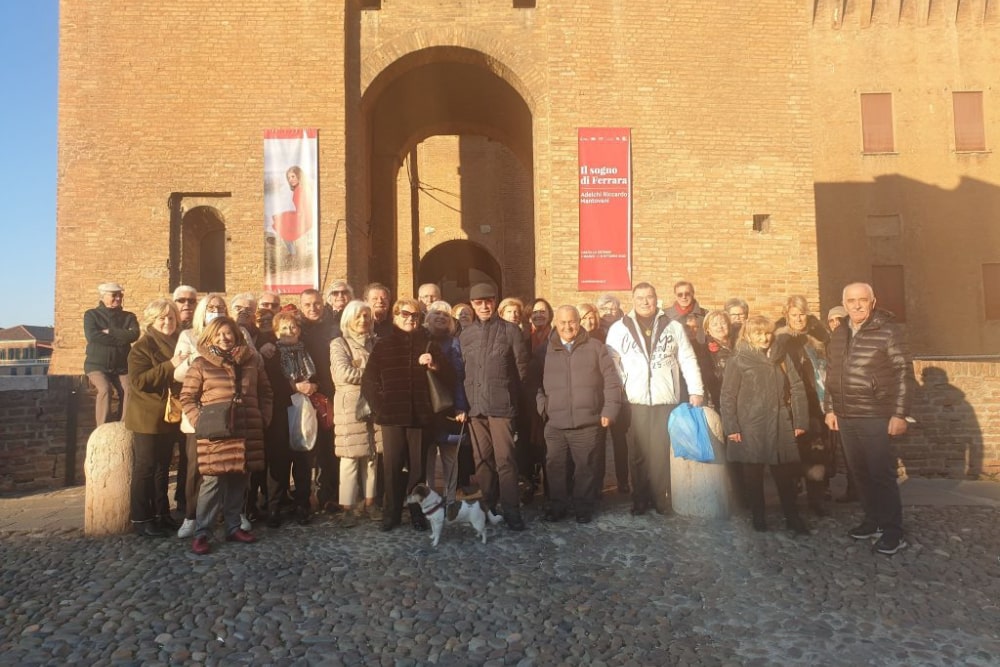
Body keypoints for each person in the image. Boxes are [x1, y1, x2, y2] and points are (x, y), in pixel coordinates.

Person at [824, 283, 914, 555]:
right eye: (851, 301)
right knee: (859, 473)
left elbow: (903, 373)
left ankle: (893, 531)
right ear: (844, 303)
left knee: (881, 474)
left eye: (863, 300)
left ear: (873, 302)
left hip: (875, 414)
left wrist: (899, 414)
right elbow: (831, 373)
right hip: (846, 414)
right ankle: (873, 521)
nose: (857, 305)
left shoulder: (887, 331)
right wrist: (830, 408)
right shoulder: (839, 334)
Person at [605, 282, 704, 516]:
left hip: (664, 399)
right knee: (637, 453)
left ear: (656, 298)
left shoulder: (673, 327)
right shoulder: (619, 328)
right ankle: (639, 498)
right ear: (633, 299)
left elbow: (687, 359)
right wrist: (619, 391)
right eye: (640, 298)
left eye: (649, 297)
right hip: (634, 400)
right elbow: (612, 363)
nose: (645, 302)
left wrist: (696, 390)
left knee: (660, 452)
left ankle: (661, 498)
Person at [180, 317, 272, 555]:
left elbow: (265, 391)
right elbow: (187, 397)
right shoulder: (201, 363)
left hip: (247, 428)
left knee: (239, 479)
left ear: (236, 335)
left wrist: (263, 417)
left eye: (228, 334)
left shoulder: (252, 361)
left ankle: (233, 527)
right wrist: (201, 421)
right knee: (212, 482)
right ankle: (203, 532)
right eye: (218, 334)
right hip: (216, 433)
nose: (224, 338)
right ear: (210, 337)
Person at [362, 298, 454, 531]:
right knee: (392, 467)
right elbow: (369, 381)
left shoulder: (428, 343)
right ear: (395, 316)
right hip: (392, 416)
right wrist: (380, 407)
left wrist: (434, 364)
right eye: (404, 314)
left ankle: (417, 513)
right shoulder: (384, 344)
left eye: (415, 315)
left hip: (421, 418)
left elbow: (449, 375)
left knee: (418, 468)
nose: (410, 319)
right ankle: (391, 514)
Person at [721, 315, 810, 534]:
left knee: (785, 475)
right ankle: (758, 517)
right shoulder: (739, 359)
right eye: (758, 333)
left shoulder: (781, 356)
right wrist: (731, 427)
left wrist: (800, 420)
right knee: (753, 474)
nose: (765, 338)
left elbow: (797, 387)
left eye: (768, 333)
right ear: (748, 335)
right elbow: (728, 395)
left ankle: (792, 516)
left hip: (779, 422)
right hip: (751, 424)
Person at [537, 306, 622, 523]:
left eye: (572, 321)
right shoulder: (544, 350)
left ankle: (583, 508)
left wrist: (609, 410)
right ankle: (558, 506)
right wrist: (543, 406)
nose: (568, 326)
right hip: (555, 423)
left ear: (579, 322)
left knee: (586, 468)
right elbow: (533, 383)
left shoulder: (596, 348)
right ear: (556, 323)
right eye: (563, 322)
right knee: (555, 467)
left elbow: (611, 381)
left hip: (587, 422)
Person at [459, 283, 531, 530]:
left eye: (488, 301)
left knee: (506, 460)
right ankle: (488, 507)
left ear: (495, 301)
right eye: (478, 302)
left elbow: (522, 371)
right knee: (482, 460)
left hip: (502, 406)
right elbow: (462, 371)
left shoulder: (511, 331)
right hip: (475, 407)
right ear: (472, 305)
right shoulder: (465, 334)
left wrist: (520, 408)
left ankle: (512, 510)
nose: (484, 306)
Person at [172, 294, 234, 538]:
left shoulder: (235, 332)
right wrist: (202, 357)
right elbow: (178, 374)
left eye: (220, 307)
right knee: (197, 469)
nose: (216, 310)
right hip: (200, 414)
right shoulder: (189, 336)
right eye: (211, 307)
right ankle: (191, 516)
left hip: (229, 413)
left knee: (231, 465)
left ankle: (228, 515)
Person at [124, 298, 186, 537]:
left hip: (169, 415)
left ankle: (162, 513)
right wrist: (170, 365)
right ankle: (141, 518)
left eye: (171, 318)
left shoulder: (176, 342)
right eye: (163, 318)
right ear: (152, 321)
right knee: (145, 468)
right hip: (147, 416)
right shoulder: (142, 347)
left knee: (163, 468)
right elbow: (139, 381)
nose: (168, 322)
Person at [775, 295, 833, 517]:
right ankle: (790, 502)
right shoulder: (780, 339)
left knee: (816, 453)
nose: (799, 319)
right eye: (794, 315)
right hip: (790, 402)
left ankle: (816, 499)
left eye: (802, 314)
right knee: (791, 452)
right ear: (786, 315)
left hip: (816, 402)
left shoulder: (818, 338)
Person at [264, 310, 318, 527]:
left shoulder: (308, 351)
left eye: (293, 327)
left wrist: (314, 386)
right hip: (280, 410)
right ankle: (274, 506)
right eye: (284, 328)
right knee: (278, 460)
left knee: (303, 458)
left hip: (305, 408)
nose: (289, 331)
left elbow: (320, 375)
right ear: (276, 331)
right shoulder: (271, 354)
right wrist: (293, 387)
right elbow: (269, 382)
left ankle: (302, 505)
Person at [331, 300, 382, 522]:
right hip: (350, 406)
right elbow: (344, 373)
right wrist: (372, 373)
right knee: (350, 457)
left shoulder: (377, 343)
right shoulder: (339, 343)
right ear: (348, 318)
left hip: (375, 404)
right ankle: (348, 508)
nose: (363, 320)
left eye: (367, 316)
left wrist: (362, 367)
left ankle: (370, 503)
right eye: (359, 316)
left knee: (372, 455)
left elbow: (385, 369)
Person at [423, 300, 470, 506]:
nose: (441, 317)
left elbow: (459, 375)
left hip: (448, 405)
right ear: (428, 318)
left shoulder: (454, 343)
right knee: (428, 456)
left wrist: (460, 405)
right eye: (436, 314)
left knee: (450, 455)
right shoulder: (420, 339)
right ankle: (430, 499)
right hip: (425, 407)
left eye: (445, 315)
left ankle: (450, 499)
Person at [299, 288, 339, 514]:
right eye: (307, 305)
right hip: (303, 395)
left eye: (316, 304)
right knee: (305, 449)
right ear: (301, 306)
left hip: (327, 394)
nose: (312, 308)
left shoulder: (332, 329)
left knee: (328, 447)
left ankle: (327, 495)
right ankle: (304, 499)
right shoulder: (296, 330)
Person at [84, 282, 140, 425]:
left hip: (122, 366)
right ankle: (102, 428)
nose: (118, 298)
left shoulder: (128, 316)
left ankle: (123, 425)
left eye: (120, 295)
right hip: (97, 365)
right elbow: (92, 336)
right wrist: (122, 339)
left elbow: (134, 335)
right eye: (114, 295)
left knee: (129, 389)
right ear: (103, 297)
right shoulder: (91, 315)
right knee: (105, 389)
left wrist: (111, 332)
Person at [595, 293, 629, 494]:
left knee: (621, 439)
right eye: (604, 309)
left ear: (618, 309)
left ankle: (623, 480)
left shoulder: (626, 327)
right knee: (598, 441)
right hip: (599, 393)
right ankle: (598, 482)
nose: (608, 312)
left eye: (612, 308)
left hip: (621, 390)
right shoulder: (593, 331)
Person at [271, 165, 313, 256]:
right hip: (303, 215)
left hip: (304, 218)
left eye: (293, 176)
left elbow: (306, 206)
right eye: (289, 178)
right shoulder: (299, 189)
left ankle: (288, 247)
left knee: (282, 220)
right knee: (282, 219)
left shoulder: (300, 190)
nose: (290, 179)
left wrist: (298, 216)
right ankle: (287, 245)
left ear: (299, 176)